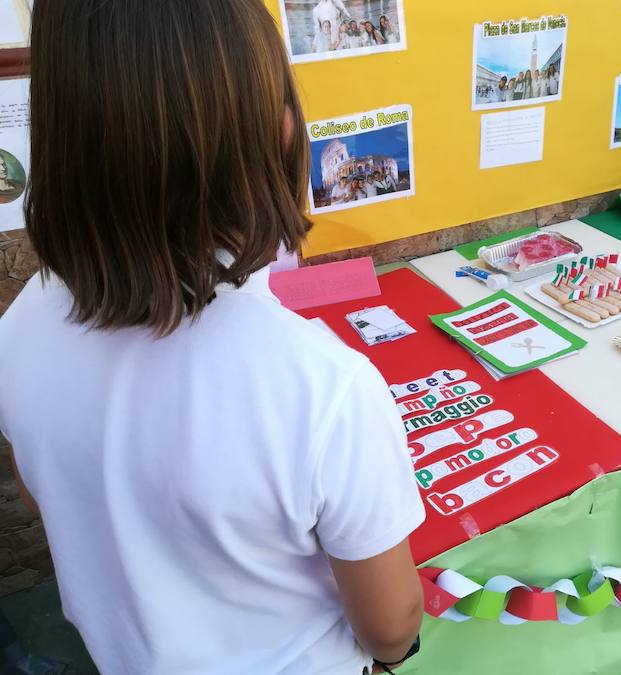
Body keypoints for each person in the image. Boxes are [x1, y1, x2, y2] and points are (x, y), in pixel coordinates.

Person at [0, 2, 425, 675]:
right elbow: (391, 624)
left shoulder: (18, 324)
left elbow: (40, 491)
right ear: (281, 129)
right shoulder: (321, 386)